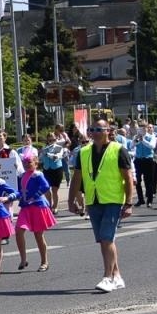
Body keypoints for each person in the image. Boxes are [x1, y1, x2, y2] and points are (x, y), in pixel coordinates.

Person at [67, 118, 137, 291]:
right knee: (104, 240)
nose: (95, 132)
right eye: (92, 129)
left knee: (107, 237)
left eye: (99, 129)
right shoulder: (83, 152)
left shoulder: (118, 150)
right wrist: (71, 200)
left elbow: (128, 177)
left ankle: (107, 277)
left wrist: (128, 203)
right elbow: (77, 177)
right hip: (93, 200)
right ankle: (117, 275)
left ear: (108, 131)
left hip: (113, 200)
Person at [13, 147, 56, 271]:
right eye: (25, 163)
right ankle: (23, 259)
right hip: (26, 207)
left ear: (36, 163)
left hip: (37, 206)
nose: (27, 165)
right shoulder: (22, 175)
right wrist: (10, 197)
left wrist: (34, 197)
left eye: (29, 163)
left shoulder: (38, 174)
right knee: (19, 230)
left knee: (38, 235)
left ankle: (44, 261)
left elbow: (45, 186)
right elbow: (20, 191)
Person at [132, 121, 157, 207]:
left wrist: (143, 140)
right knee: (138, 181)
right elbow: (132, 146)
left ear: (147, 128)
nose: (142, 128)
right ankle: (140, 199)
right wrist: (137, 140)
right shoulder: (136, 137)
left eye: (144, 127)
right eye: (140, 127)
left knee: (148, 181)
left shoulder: (151, 137)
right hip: (138, 160)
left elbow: (152, 146)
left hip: (148, 160)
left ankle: (149, 200)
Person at [40, 130, 69, 209]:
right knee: (46, 189)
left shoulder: (59, 148)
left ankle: (55, 207)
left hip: (57, 170)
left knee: (54, 190)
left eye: (54, 140)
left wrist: (48, 154)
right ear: (47, 140)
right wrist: (41, 154)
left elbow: (57, 157)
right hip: (47, 170)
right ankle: (49, 205)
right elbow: (40, 159)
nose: (52, 141)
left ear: (56, 139)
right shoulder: (44, 148)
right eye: (50, 140)